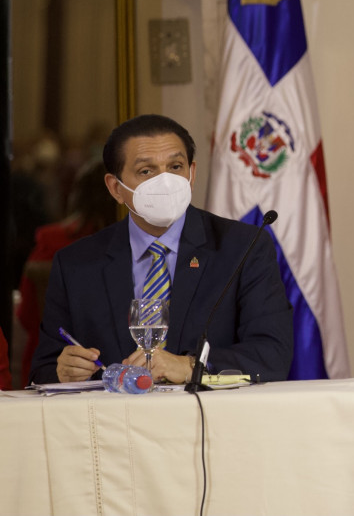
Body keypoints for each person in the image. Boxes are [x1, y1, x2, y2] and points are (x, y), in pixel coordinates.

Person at [30, 115, 294, 385]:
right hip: (113, 411)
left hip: (207, 411)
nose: (165, 182)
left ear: (191, 174)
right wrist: (62, 371)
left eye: (175, 167)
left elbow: (272, 355)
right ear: (115, 188)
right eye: (146, 171)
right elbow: (43, 371)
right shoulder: (76, 264)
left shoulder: (243, 248)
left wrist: (191, 366)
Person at [17, 160, 118, 384]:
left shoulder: (50, 240)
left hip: (49, 361)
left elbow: (26, 315)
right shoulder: (125, 249)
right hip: (57, 368)